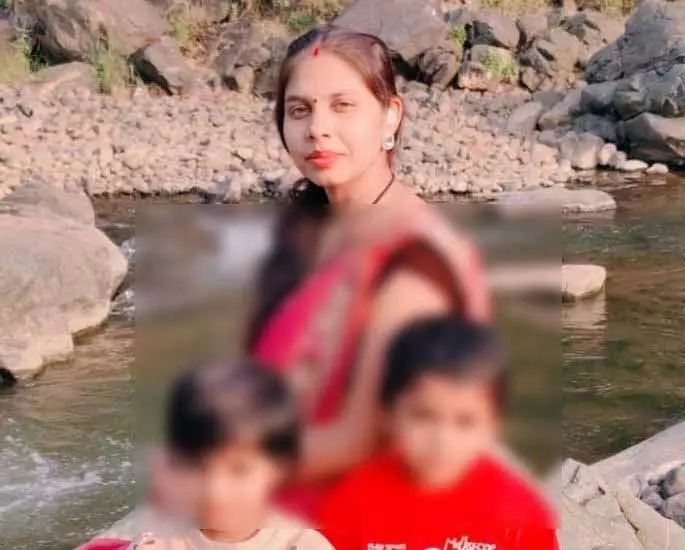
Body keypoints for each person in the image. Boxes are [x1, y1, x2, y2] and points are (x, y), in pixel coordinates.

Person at [245, 25, 492, 520]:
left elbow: (360, 440)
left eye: (342, 106)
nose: (318, 128)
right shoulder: (317, 230)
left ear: (390, 116)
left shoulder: (415, 262)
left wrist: (219, 467)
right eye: (300, 110)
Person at [317, 316, 558, 550]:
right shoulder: (352, 502)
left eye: (465, 422)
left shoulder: (523, 514)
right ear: (388, 413)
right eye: (423, 416)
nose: (442, 441)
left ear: (493, 425)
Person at [78, 361, 334, 550]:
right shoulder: (157, 538)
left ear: (279, 467)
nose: (215, 491)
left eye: (238, 470)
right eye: (196, 467)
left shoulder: (300, 545)